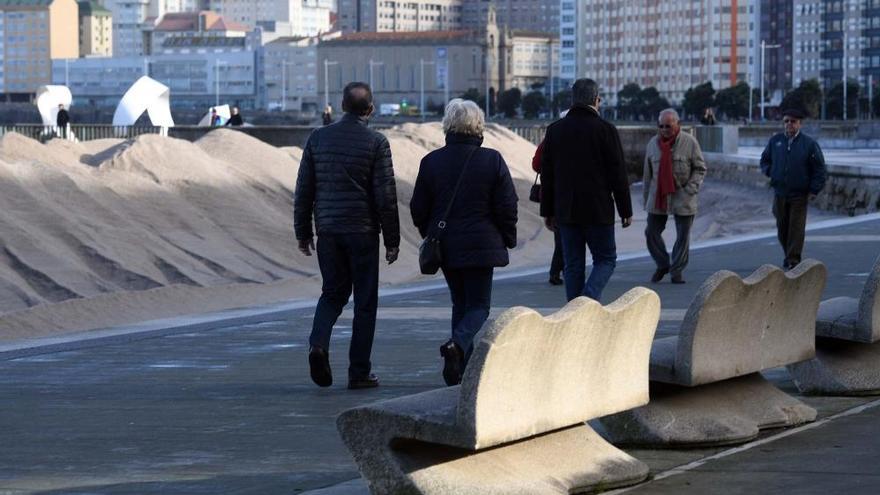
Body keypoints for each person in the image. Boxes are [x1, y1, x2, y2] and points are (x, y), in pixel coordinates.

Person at [294, 82, 400, 390]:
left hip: (328, 230)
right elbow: (385, 196)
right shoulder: (376, 142)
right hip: (363, 232)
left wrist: (303, 231)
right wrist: (392, 240)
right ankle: (359, 371)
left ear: (341, 106)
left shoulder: (317, 138)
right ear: (370, 109)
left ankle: (318, 344)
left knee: (332, 294)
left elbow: (304, 190)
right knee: (365, 302)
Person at [410, 98, 517, 386]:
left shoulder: (431, 161)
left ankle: (461, 367)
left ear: (448, 126)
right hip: (483, 244)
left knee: (461, 302)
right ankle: (457, 346)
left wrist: (429, 233)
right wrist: (508, 237)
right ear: (478, 126)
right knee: (479, 306)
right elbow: (507, 205)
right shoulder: (492, 160)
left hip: (447, 245)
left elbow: (418, 207)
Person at [540, 78, 632, 302]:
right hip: (597, 208)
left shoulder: (555, 130)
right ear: (596, 99)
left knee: (573, 265)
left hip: (566, 210)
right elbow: (617, 173)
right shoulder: (606, 130)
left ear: (572, 100)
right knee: (606, 259)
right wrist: (625, 210)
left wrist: (548, 211)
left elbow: (548, 175)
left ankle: (574, 310)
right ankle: (587, 301)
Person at [642, 109, 707, 284]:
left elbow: (700, 168)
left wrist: (690, 189)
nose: (664, 129)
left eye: (668, 126)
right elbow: (647, 175)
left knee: (683, 235)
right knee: (651, 232)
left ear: (677, 125)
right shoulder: (652, 145)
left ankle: (677, 270)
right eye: (661, 126)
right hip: (658, 196)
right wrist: (646, 199)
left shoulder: (690, 142)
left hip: (683, 196)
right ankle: (663, 264)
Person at [760, 108, 826, 270]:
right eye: (786, 121)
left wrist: (814, 189)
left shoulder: (809, 144)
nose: (789, 124)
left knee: (796, 228)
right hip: (780, 192)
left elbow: (820, 169)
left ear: (800, 124)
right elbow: (764, 160)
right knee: (782, 227)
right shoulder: (775, 141)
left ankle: (793, 259)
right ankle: (788, 254)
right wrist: (771, 172)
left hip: (799, 194)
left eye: (793, 121)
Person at [531, 140, 563, 285]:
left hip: (552, 196)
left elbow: (536, 165)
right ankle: (560, 270)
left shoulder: (550, 139)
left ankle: (556, 271)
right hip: (576, 196)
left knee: (560, 238)